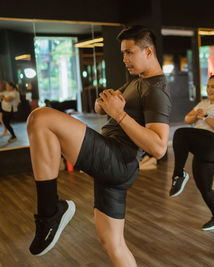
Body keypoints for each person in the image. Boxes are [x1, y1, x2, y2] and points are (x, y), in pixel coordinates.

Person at [27, 25, 171, 266]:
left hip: (118, 159)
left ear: (148, 52)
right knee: (112, 243)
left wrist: (120, 115)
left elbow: (159, 148)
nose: (124, 59)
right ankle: (51, 214)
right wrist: (106, 105)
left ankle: (49, 214)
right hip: (114, 164)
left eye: (129, 52)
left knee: (40, 118)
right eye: (123, 53)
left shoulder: (157, 91)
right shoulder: (137, 81)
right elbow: (100, 106)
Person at [169, 74, 214, 231]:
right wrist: (196, 115)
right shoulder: (204, 102)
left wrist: (205, 116)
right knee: (204, 186)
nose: (209, 89)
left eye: (213, 86)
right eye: (208, 86)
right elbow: (187, 119)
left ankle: (178, 175)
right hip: (204, 146)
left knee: (180, 134)